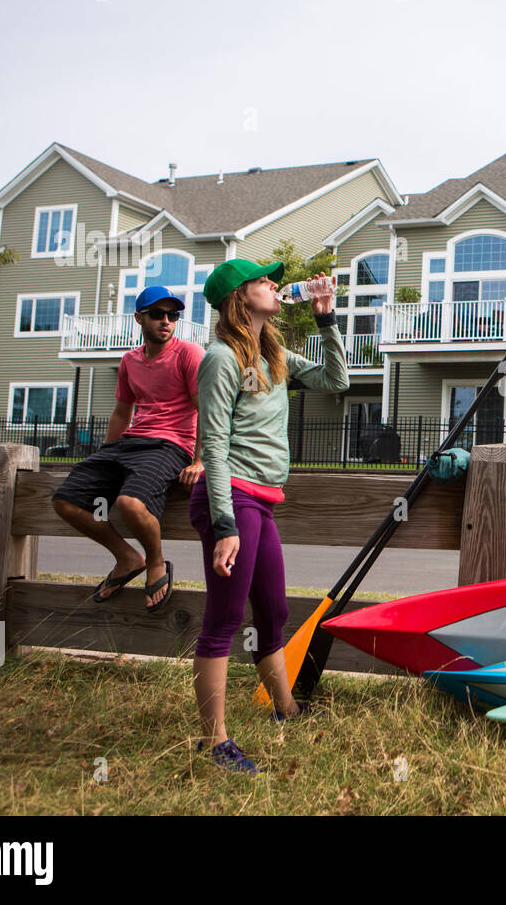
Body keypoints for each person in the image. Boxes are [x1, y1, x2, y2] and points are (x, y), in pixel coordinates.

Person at [190, 258, 348, 774]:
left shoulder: (273, 354)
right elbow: (212, 444)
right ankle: (214, 742)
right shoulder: (221, 358)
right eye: (263, 280)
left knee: (274, 611)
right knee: (224, 619)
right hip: (231, 499)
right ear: (239, 297)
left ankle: (286, 709)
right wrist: (225, 527)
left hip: (262, 499)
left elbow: (335, 380)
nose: (275, 285)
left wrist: (327, 318)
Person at [51, 285, 204, 611]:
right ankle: (126, 556)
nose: (166, 321)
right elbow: (123, 412)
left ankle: (155, 561)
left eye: (173, 315)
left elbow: (207, 408)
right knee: (66, 501)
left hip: (170, 444)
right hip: (128, 444)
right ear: (139, 318)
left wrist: (200, 460)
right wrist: (106, 460)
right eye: (157, 314)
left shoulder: (188, 354)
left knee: (130, 504)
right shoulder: (130, 361)